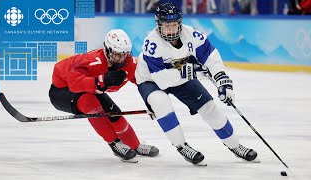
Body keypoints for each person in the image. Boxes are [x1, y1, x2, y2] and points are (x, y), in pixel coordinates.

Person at [135, 2, 258, 165]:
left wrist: (222, 80)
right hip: (151, 80)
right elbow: (162, 79)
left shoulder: (191, 34)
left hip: (182, 78)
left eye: (174, 25)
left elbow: (210, 56)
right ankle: (182, 146)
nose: (171, 30)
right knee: (161, 102)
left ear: (180, 23)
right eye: (167, 26)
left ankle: (235, 145)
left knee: (210, 108)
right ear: (158, 25)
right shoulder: (151, 43)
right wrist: (193, 71)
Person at [49, 29, 159, 161]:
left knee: (114, 112)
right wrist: (100, 80)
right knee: (90, 104)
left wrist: (152, 100)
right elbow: (73, 83)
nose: (121, 58)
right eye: (117, 54)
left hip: (90, 88)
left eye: (124, 54)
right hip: (62, 89)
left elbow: (143, 82)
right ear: (107, 50)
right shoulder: (93, 61)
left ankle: (134, 145)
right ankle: (115, 144)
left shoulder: (128, 63)